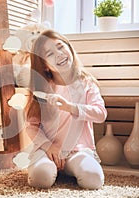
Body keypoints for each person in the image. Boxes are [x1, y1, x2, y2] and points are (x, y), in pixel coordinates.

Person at [25, 30, 107, 189]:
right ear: (45, 66)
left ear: (69, 48)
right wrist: (50, 147)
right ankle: (51, 169)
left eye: (60, 47)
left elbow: (100, 114)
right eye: (49, 54)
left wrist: (70, 107)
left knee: (93, 179)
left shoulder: (87, 83)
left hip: (78, 152)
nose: (59, 54)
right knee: (40, 178)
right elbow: (31, 126)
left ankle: (65, 171)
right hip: (47, 151)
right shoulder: (42, 88)